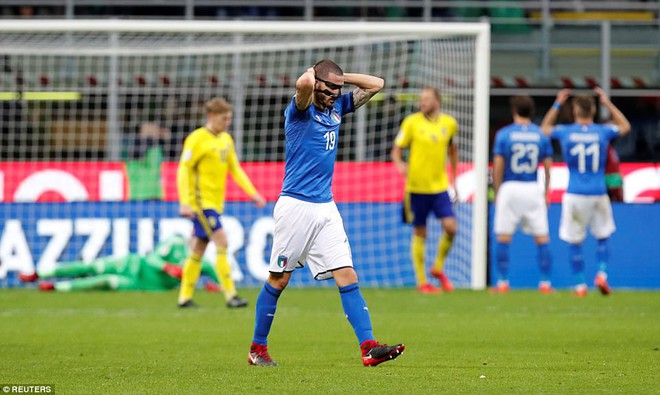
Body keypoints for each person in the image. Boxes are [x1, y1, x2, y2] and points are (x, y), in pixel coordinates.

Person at [248, 59, 404, 367]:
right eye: (329, 87)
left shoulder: (337, 107)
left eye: (338, 88)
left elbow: (377, 84)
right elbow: (303, 85)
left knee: (347, 274)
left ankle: (368, 347)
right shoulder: (299, 112)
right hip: (296, 206)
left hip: (326, 207)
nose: (334, 93)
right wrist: (313, 75)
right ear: (317, 83)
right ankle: (258, 349)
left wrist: (339, 78)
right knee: (279, 280)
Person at [177, 97, 266, 308]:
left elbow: (235, 169)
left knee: (199, 248)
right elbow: (184, 169)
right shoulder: (197, 139)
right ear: (211, 116)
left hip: (216, 204)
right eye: (224, 119)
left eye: (229, 119)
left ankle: (184, 297)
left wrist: (253, 193)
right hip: (201, 204)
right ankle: (230, 295)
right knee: (222, 241)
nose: (227, 123)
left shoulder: (226, 139)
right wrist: (185, 202)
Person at [541, 87, 631, 297]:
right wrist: (607, 103)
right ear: (593, 112)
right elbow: (625, 126)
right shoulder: (603, 131)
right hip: (599, 192)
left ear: (574, 111)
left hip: (575, 193)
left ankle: (580, 285)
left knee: (575, 239)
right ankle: (602, 274)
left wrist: (557, 103)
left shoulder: (566, 131)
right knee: (603, 236)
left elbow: (544, 128)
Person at [390, 87, 458, 294]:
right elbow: (396, 150)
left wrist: (453, 179)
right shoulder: (411, 122)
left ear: (437, 101)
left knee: (451, 227)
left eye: (426, 99)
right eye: (421, 99)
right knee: (420, 231)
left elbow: (453, 151)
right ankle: (422, 282)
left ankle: (437, 268)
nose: (422, 102)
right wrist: (400, 163)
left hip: (439, 187)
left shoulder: (449, 123)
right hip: (416, 188)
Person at [491, 95, 554, 294]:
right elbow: (547, 167)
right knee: (542, 238)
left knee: (503, 237)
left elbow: (498, 166)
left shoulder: (504, 134)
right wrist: (546, 192)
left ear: (513, 110)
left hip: (510, 187)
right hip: (532, 187)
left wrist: (498, 190)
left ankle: (502, 283)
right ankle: (545, 284)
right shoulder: (541, 134)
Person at [18, 234, 222, 293]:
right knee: (92, 266)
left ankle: (56, 287)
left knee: (105, 281)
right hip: (131, 265)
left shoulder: (203, 264)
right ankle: (38, 273)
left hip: (140, 285)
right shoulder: (176, 242)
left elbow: (223, 282)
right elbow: (152, 257)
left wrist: (215, 287)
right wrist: (167, 267)